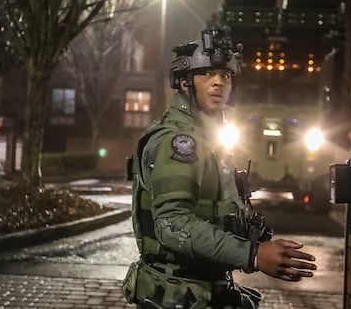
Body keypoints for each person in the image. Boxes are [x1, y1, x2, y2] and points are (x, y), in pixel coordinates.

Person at [123, 26, 317, 309]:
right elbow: (173, 225)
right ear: (184, 82)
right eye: (206, 74)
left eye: (225, 75)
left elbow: (213, 211)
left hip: (202, 290)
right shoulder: (178, 142)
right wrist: (252, 254)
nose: (218, 82)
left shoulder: (208, 138)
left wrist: (251, 234)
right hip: (178, 294)